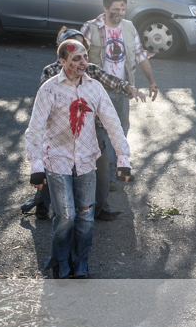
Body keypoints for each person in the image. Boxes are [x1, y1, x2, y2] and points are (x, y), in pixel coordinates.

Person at [25, 39, 131, 279]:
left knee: (85, 216)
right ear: (62, 62)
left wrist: (123, 159)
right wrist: (36, 165)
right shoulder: (49, 89)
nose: (83, 62)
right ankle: (61, 260)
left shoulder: (95, 88)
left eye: (85, 56)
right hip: (57, 159)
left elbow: (113, 123)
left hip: (86, 160)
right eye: (76, 59)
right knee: (66, 215)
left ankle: (80, 262)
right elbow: (35, 128)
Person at [20, 27, 145, 220]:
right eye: (74, 51)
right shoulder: (51, 72)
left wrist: (129, 88)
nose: (82, 60)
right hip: (61, 132)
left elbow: (110, 82)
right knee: (50, 171)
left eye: (82, 48)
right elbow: (43, 108)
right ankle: (42, 204)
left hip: (92, 131)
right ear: (62, 53)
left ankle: (99, 208)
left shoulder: (91, 70)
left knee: (101, 174)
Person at [82, 0, 158, 218]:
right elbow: (78, 58)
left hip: (124, 89)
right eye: (115, 10)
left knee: (121, 129)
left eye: (122, 10)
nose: (119, 14)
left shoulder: (129, 27)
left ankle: (115, 170)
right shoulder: (90, 28)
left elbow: (140, 55)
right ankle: (105, 175)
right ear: (105, 8)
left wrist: (151, 81)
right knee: (101, 133)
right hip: (98, 91)